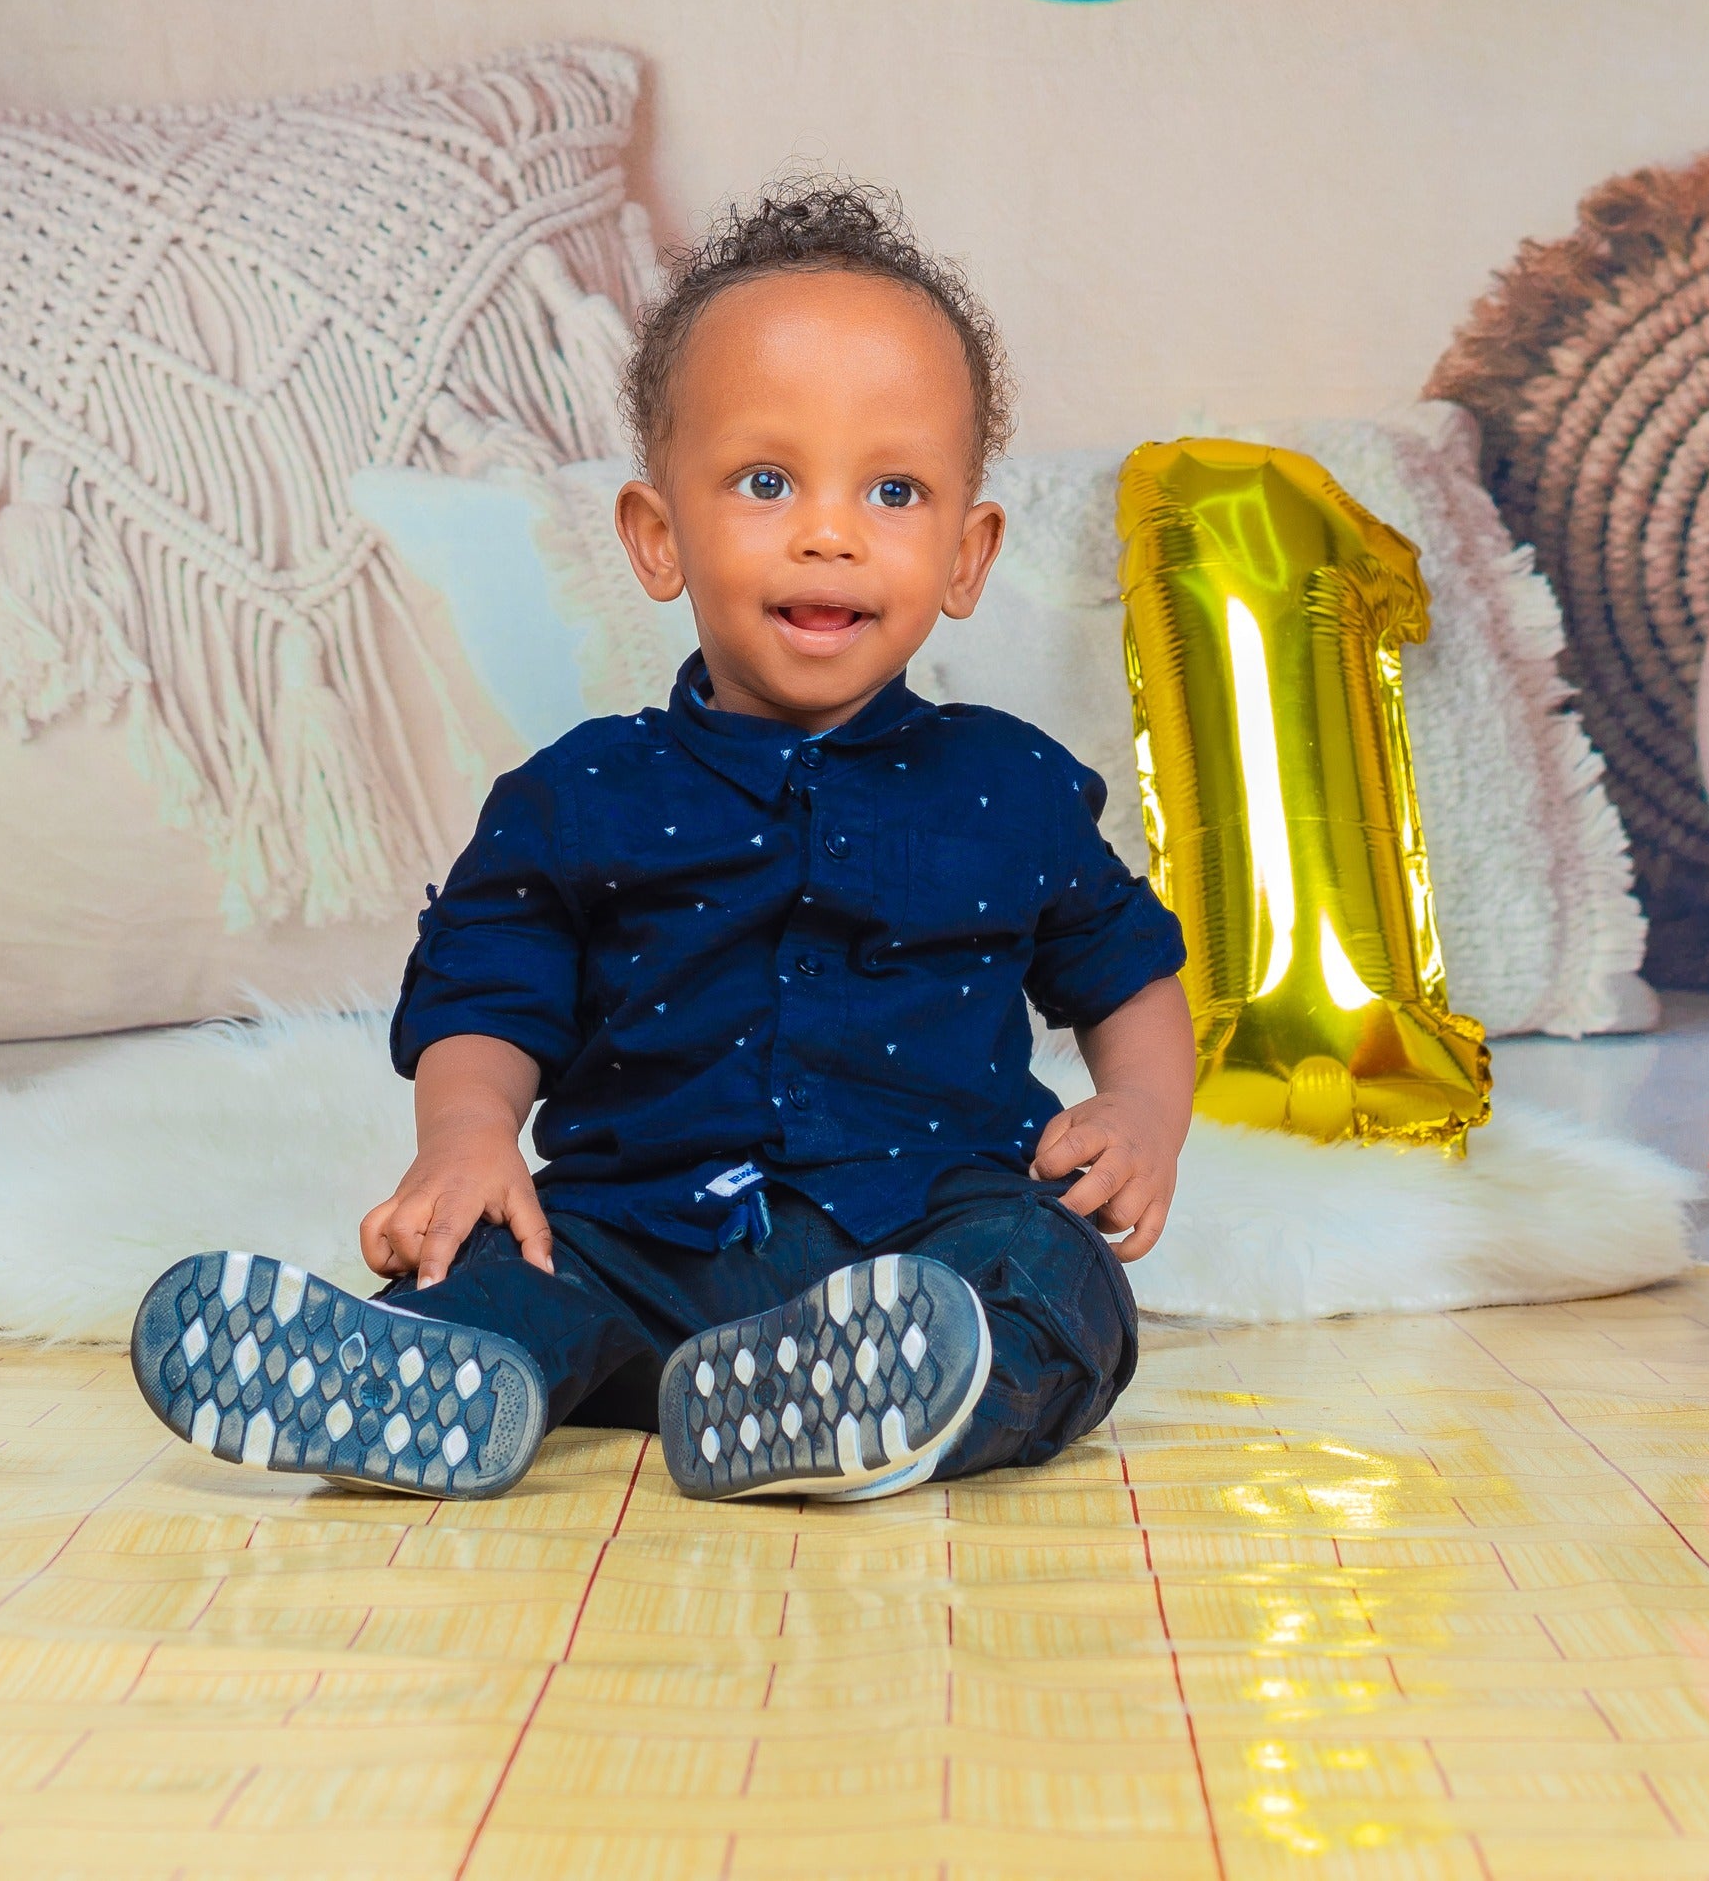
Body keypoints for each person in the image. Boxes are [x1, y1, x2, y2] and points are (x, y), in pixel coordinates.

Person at [135, 179, 1197, 1503]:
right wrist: (465, 1141)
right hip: (634, 1248)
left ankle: (888, 1400)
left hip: (922, 1234)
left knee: (1058, 1284)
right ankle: (412, 1380)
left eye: (895, 488)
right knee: (496, 1268)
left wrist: (1146, 1110)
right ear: (657, 534)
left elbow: (1129, 971)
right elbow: (486, 993)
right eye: (766, 480)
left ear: (968, 555)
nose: (828, 528)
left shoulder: (1011, 787)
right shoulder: (582, 794)